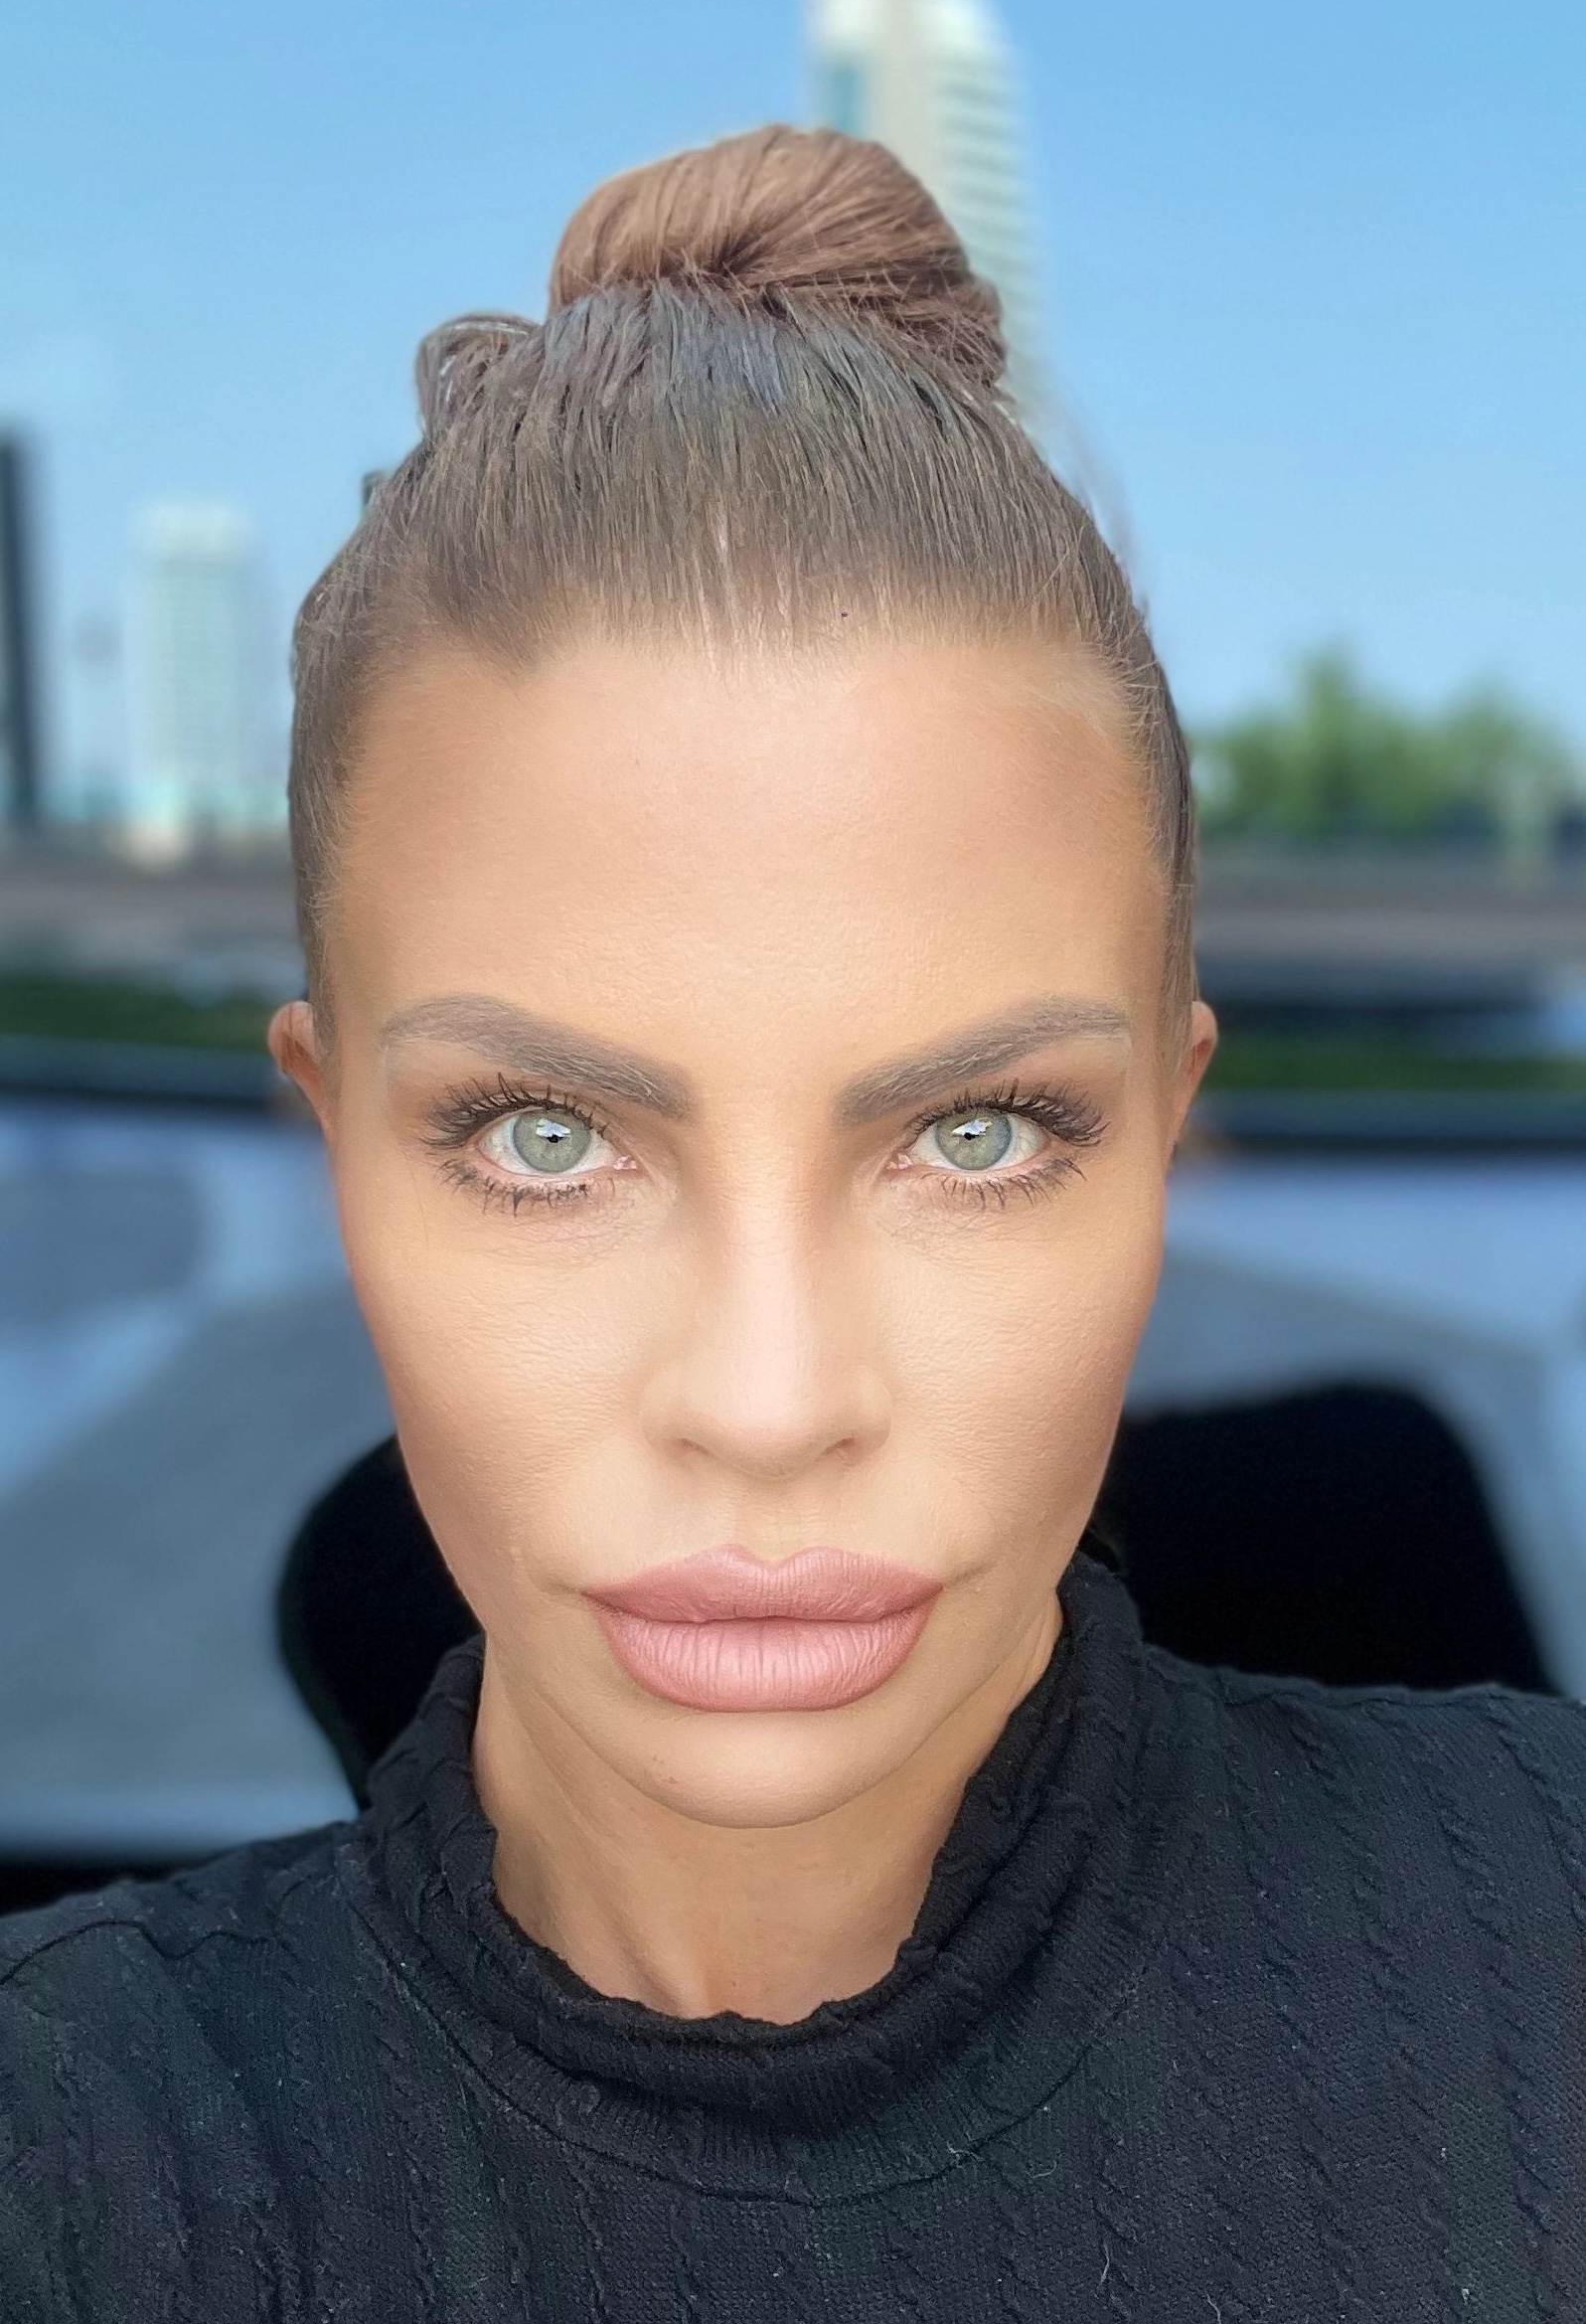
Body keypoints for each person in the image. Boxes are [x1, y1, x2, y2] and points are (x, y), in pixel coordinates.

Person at [2, 123, 1583, 2321]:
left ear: (1166, 1130)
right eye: (543, 1136)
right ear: (333, 1141)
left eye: (981, 1132)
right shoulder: (68, 2145)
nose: (768, 1401)